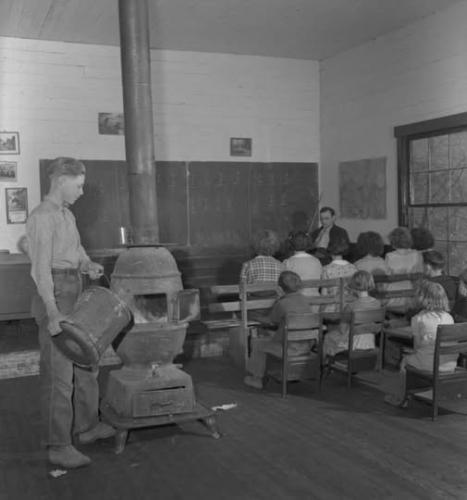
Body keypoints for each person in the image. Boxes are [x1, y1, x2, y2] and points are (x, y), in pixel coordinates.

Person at [26, 157, 115, 469]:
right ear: (61, 180)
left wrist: (87, 263)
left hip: (74, 288)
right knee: (58, 375)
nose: (80, 192)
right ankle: (58, 446)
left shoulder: (67, 215)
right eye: (77, 186)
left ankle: (87, 427)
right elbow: (40, 270)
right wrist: (52, 313)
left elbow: (74, 251)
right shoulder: (42, 217)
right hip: (56, 294)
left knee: (86, 363)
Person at [384, 281, 456, 407]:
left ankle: (401, 398)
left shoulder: (419, 318)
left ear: (422, 298)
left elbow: (417, 347)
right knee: (421, 357)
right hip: (449, 364)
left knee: (405, 361)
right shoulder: (449, 318)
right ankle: (427, 390)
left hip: (430, 364)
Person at [243, 271, 317, 389]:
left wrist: (255, 317)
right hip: (306, 345)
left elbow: (271, 321)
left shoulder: (282, 303)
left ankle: (257, 379)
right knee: (270, 341)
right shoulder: (305, 300)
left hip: (288, 347)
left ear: (280, 288)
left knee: (258, 344)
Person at [323, 271, 382, 358]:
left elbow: (342, 330)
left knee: (328, 336)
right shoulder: (377, 303)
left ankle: (327, 366)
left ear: (355, 285)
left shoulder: (351, 306)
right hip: (370, 341)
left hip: (353, 343)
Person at [384, 227, 424, 313]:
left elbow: (387, 278)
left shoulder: (389, 256)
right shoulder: (417, 254)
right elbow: (420, 277)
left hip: (393, 296)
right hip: (412, 295)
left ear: (393, 241)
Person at [320, 237, 357, 312]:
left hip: (331, 308)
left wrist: (320, 310)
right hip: (349, 308)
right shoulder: (353, 268)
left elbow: (324, 294)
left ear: (330, 250)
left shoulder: (326, 269)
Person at [283, 231, 322, 298]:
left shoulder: (288, 262)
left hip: (296, 302)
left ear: (291, 244)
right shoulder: (317, 261)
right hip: (316, 301)